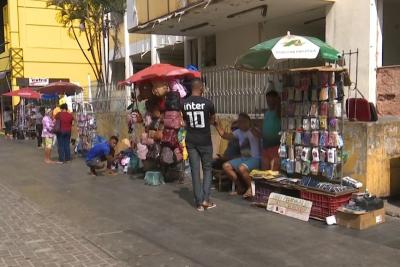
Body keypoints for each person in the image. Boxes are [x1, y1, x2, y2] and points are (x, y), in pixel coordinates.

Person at [182, 78, 216, 211]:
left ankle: (199, 203)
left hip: (190, 140)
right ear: (201, 88)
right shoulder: (208, 103)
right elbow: (213, 120)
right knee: (207, 169)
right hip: (205, 141)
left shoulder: (184, 104)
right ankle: (206, 200)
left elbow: (185, 121)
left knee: (194, 170)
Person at [216, 113, 261, 199]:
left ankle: (250, 188)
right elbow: (224, 135)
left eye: (243, 121)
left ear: (249, 121)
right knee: (226, 166)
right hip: (244, 158)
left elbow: (260, 135)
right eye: (239, 122)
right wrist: (216, 125)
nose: (241, 124)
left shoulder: (253, 130)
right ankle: (240, 187)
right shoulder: (238, 132)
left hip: (255, 158)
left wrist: (252, 128)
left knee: (241, 168)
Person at [262, 91, 281, 171]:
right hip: (266, 147)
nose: (269, 103)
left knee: (273, 172)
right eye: (268, 100)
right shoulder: (266, 113)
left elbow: (279, 108)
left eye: (271, 100)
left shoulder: (278, 112)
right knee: (264, 172)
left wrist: (278, 100)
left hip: (275, 147)